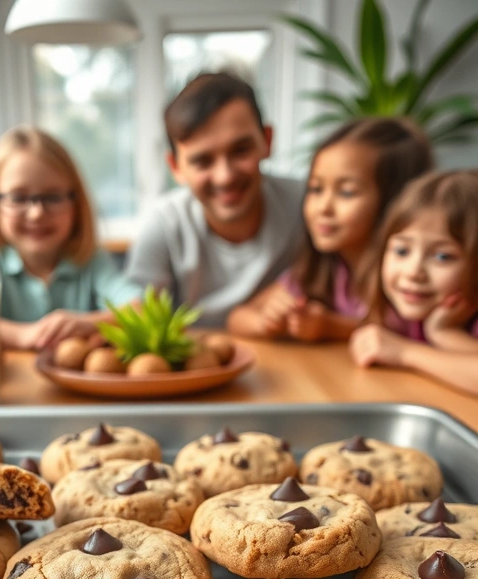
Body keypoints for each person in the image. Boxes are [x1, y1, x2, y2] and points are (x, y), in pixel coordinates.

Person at [227, 118, 433, 341]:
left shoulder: (412, 277)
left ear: (396, 202)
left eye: (346, 192)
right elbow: (237, 318)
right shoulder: (319, 272)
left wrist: (332, 327)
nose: (323, 207)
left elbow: (409, 338)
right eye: (316, 189)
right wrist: (267, 321)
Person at [125, 72, 304, 327]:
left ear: (267, 141)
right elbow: (136, 312)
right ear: (175, 167)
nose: (225, 177)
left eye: (240, 150)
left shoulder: (308, 205)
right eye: (202, 161)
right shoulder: (163, 223)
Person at [0, 127, 141, 350]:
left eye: (53, 197)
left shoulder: (90, 261)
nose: (37, 213)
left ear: (76, 203)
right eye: (18, 198)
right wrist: (23, 335)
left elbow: (142, 307)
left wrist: (88, 324)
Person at [350, 169, 478, 394]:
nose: (413, 272)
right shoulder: (409, 310)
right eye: (401, 251)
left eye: (442, 257)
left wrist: (407, 351)